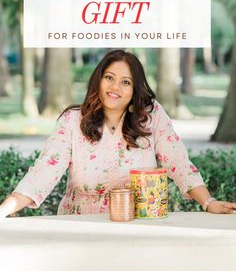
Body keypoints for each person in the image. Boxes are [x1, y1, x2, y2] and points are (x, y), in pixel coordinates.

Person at [0, 50, 236, 218]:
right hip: (81, 224)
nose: (115, 88)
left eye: (126, 82)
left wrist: (208, 202)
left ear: (135, 90)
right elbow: (43, 172)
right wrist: (5, 209)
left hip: (137, 225)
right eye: (109, 78)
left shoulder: (151, 116)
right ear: (98, 80)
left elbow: (178, 163)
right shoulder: (72, 120)